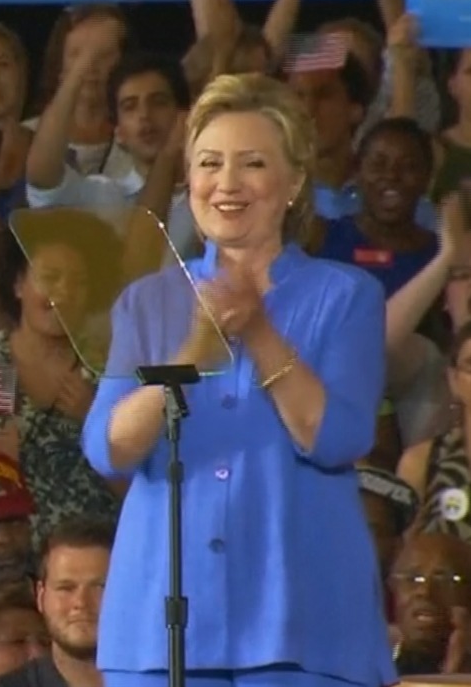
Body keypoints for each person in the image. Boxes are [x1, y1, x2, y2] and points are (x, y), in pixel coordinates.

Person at [81, 72, 394, 686]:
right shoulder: (148, 302)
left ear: (294, 182)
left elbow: (335, 439)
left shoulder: (345, 295)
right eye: (208, 163)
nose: (226, 183)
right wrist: (192, 352)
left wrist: (257, 329)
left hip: (302, 629)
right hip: (161, 632)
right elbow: (109, 448)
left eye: (251, 164)